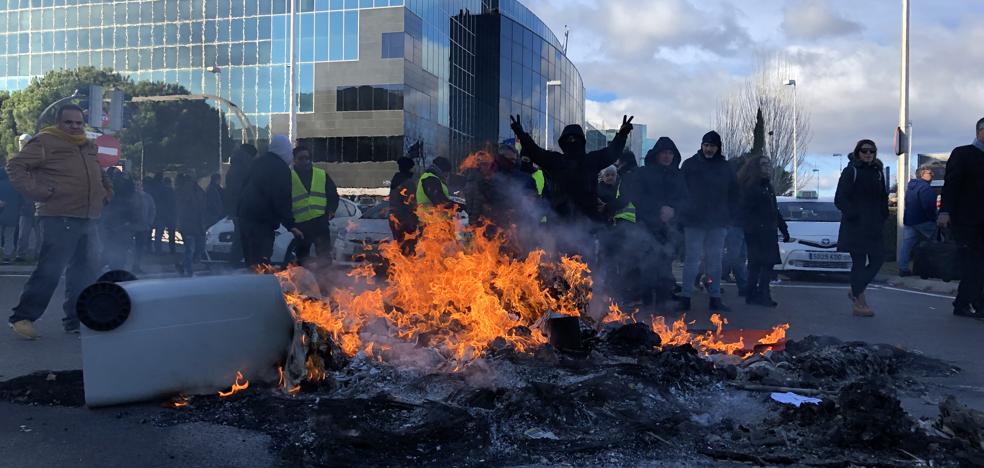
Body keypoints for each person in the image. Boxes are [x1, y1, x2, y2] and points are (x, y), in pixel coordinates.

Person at [5, 104, 112, 338]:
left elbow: (98, 172)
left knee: (84, 273)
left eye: (78, 122)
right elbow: (15, 166)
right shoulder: (45, 141)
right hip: (58, 216)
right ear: (58, 122)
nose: (74, 126)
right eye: (69, 122)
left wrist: (106, 191)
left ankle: (76, 320)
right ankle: (22, 318)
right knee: (50, 270)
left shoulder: (88, 145)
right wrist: (39, 192)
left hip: (88, 217)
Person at [509, 115, 633, 225]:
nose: (572, 142)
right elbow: (535, 151)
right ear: (563, 143)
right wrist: (521, 135)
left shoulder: (591, 160)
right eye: (569, 139)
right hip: (560, 226)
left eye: (575, 139)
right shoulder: (555, 161)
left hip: (588, 225)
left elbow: (611, 153)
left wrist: (622, 136)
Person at [678, 131, 739, 312]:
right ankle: (686, 297)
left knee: (714, 261)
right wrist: (683, 215)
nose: (709, 149)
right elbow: (681, 191)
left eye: (712, 146)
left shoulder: (726, 167)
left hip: (717, 221)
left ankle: (715, 297)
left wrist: (730, 217)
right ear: (702, 145)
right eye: (706, 145)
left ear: (717, 147)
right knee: (692, 260)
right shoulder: (689, 165)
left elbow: (734, 194)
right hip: (694, 221)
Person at [835, 140, 889, 317]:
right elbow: (840, 198)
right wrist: (854, 215)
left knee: (878, 258)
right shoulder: (851, 171)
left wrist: (883, 216)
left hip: (874, 226)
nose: (868, 154)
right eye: (864, 150)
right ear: (857, 152)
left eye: (871, 151)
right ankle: (859, 301)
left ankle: (856, 289)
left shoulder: (878, 172)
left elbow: (883, 197)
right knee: (858, 262)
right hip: (856, 226)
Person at [937, 117, 984, 318]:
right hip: (967, 219)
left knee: (979, 264)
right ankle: (973, 304)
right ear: (978, 131)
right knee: (974, 263)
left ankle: (965, 302)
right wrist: (945, 211)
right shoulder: (963, 153)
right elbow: (951, 184)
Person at [237, 135, 302, 268]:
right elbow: (281, 199)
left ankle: (249, 282)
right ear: (285, 151)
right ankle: (259, 285)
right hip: (262, 222)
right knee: (262, 259)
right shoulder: (281, 169)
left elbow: (243, 187)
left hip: (244, 217)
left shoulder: (257, 163)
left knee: (251, 259)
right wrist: (291, 225)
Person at [636, 138, 688, 303]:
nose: (667, 156)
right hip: (647, 225)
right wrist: (658, 208)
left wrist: (673, 210)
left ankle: (663, 301)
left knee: (665, 265)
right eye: (664, 153)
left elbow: (686, 199)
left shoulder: (678, 175)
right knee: (647, 265)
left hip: (670, 229)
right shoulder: (644, 173)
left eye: (670, 153)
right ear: (657, 154)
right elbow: (637, 196)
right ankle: (646, 301)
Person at [737, 156, 789, 307]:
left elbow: (774, 210)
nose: (767, 168)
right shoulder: (751, 187)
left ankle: (754, 293)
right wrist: (754, 227)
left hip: (768, 230)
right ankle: (760, 293)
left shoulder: (768, 187)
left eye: (768, 165)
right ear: (756, 168)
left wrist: (783, 228)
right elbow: (745, 210)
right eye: (763, 165)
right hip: (757, 231)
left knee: (763, 264)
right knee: (761, 263)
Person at [290, 146, 339, 267]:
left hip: (320, 221)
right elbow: (283, 200)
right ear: (294, 160)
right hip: (301, 224)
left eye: (307, 158)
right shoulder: (288, 177)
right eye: (301, 158)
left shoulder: (321, 175)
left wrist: (331, 210)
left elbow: (333, 194)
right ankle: (303, 283)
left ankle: (326, 282)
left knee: (324, 256)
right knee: (302, 258)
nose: (305, 161)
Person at [898, 165, 938, 276]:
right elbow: (928, 206)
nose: (932, 175)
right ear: (922, 174)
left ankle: (903, 268)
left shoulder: (911, 187)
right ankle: (939, 266)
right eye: (930, 173)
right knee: (939, 240)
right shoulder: (925, 188)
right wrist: (934, 218)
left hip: (910, 220)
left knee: (907, 245)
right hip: (923, 220)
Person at [99, 169, 141, 271]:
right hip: (119, 225)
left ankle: (104, 269)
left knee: (112, 251)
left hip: (114, 224)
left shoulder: (111, 188)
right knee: (117, 252)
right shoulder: (127, 195)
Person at [225, 144, 257, 263]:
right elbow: (241, 190)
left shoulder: (236, 166)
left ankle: (235, 263)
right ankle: (233, 265)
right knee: (242, 237)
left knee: (242, 236)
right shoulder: (243, 167)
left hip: (238, 209)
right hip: (243, 209)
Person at [175, 173, 207, 276]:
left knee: (198, 249)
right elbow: (181, 209)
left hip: (198, 225)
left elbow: (203, 207)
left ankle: (182, 265)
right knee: (191, 249)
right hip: (189, 225)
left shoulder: (199, 191)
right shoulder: (185, 192)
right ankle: (189, 271)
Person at [389, 156, 418, 254]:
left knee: (400, 248)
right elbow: (411, 203)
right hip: (406, 219)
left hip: (395, 219)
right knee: (408, 250)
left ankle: (398, 268)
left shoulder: (395, 181)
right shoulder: (408, 183)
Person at [131, 178, 156, 274]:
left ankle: (136, 266)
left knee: (140, 248)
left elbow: (152, 210)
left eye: (139, 185)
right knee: (130, 247)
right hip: (132, 227)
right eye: (136, 185)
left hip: (143, 227)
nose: (137, 187)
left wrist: (149, 223)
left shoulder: (148, 197)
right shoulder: (131, 196)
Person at [0, 168, 24, 264]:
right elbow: (21, 200)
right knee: (9, 236)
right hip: (12, 214)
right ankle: (7, 255)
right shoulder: (15, 185)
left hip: (1, 213)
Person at [152, 176, 177, 255]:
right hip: (170, 215)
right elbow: (174, 204)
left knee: (159, 233)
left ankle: (158, 250)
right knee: (171, 234)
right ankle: (172, 250)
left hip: (161, 214)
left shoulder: (159, 191)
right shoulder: (172, 192)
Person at [15, 194, 38, 262]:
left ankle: (39, 254)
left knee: (40, 236)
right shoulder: (24, 186)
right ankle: (20, 255)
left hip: (39, 213)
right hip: (25, 212)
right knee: (23, 235)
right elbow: (18, 199)